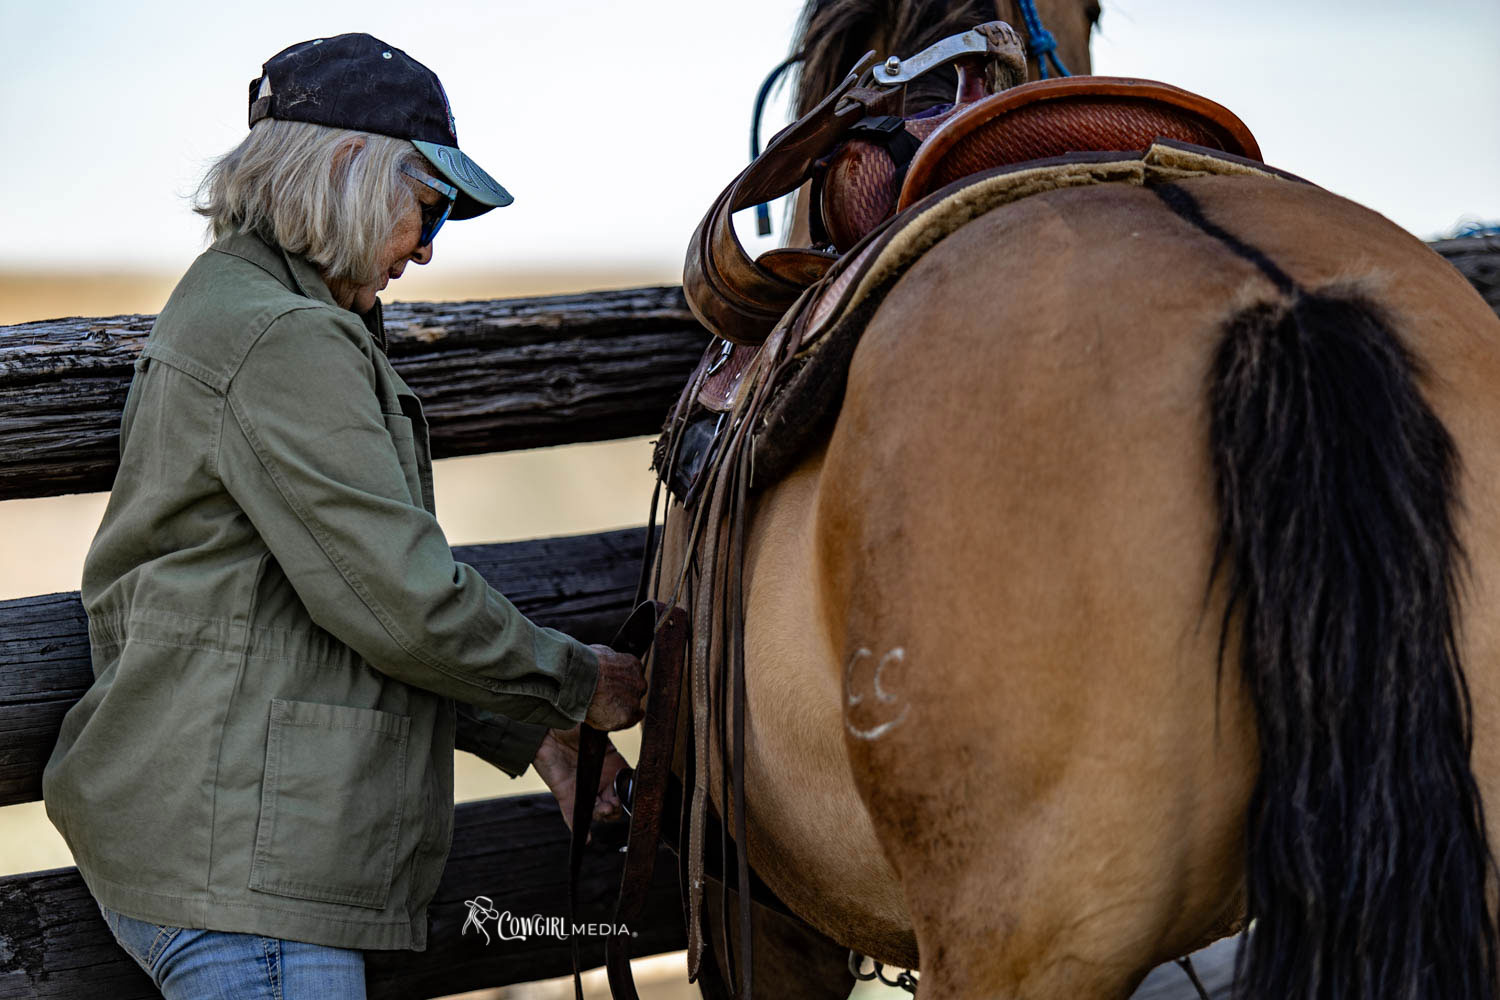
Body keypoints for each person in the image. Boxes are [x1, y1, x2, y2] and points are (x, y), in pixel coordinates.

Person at [41, 33, 641, 999]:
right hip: (242, 880)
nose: (431, 245)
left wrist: (532, 729)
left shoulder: (244, 302)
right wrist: (576, 683)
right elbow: (397, 599)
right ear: (353, 166)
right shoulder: (284, 337)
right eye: (431, 205)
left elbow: (317, 598)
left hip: (216, 844)